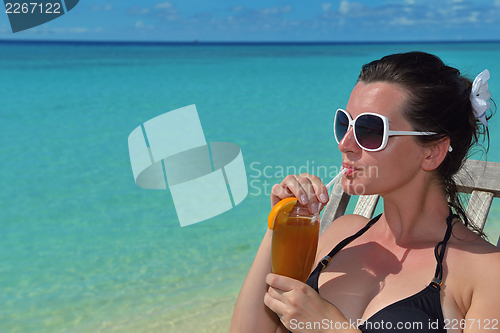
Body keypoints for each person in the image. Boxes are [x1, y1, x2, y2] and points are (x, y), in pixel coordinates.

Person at [230, 51, 500, 333]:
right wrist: (279, 224)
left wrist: (331, 329)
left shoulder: (486, 272)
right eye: (344, 123)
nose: (345, 144)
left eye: (369, 130)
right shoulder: (341, 235)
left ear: (433, 151)